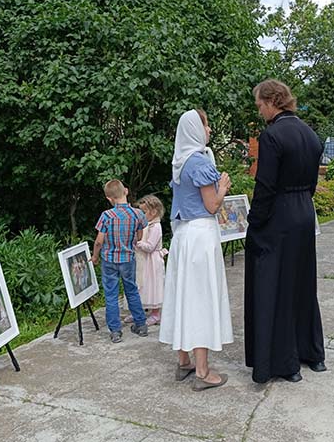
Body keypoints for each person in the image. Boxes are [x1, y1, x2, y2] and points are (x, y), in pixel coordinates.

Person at [244, 79, 325, 384]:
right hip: (304, 209)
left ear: (271, 101)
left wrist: (254, 223)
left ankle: (285, 363)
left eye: (260, 105)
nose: (259, 110)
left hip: (279, 215)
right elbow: (313, 184)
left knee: (275, 285)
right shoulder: (310, 134)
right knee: (303, 282)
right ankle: (313, 354)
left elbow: (265, 186)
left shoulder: (272, 135)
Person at [159, 109, 233, 391]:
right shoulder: (200, 162)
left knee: (182, 295)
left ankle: (184, 361)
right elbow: (212, 205)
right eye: (206, 124)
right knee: (200, 299)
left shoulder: (180, 161)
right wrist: (223, 187)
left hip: (182, 236)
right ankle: (203, 371)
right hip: (200, 235)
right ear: (194, 129)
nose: (210, 129)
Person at [91, 179, 148, 344]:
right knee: (131, 290)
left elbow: (99, 241)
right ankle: (141, 325)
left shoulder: (106, 216)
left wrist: (95, 256)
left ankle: (115, 331)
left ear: (109, 198)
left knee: (111, 295)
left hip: (109, 260)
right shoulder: (138, 214)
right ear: (126, 191)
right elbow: (139, 236)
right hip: (128, 259)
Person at [134, 194, 166, 326]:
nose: (141, 215)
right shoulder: (147, 224)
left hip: (153, 261)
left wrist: (138, 243)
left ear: (153, 212)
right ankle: (139, 310)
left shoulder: (156, 227)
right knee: (143, 284)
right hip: (145, 260)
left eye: (144, 212)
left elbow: (150, 246)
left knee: (154, 285)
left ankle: (156, 313)